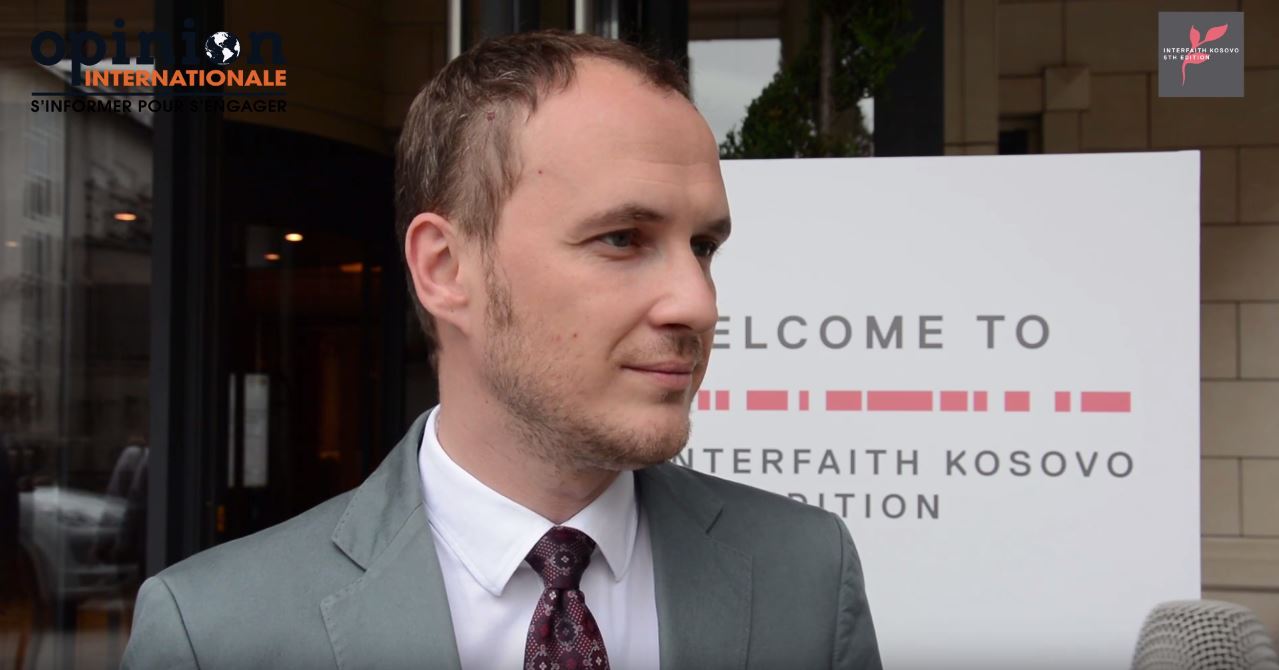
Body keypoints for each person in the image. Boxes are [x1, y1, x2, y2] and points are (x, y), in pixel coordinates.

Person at [122, 30, 881, 669]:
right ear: (445, 269)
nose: (697, 304)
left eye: (703, 247)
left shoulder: (805, 574)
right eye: (622, 238)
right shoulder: (216, 632)